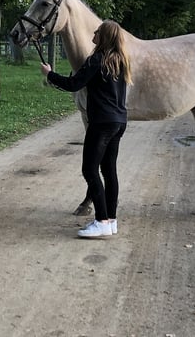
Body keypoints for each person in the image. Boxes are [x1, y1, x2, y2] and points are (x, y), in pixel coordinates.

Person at [40, 20, 131, 238]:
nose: (94, 33)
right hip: (119, 122)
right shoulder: (121, 62)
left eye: (98, 32)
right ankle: (111, 220)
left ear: (105, 37)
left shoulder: (97, 60)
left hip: (101, 124)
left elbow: (73, 84)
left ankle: (101, 220)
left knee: (89, 170)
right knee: (109, 172)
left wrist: (49, 74)